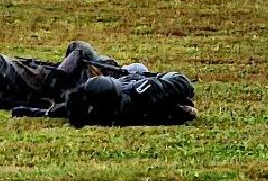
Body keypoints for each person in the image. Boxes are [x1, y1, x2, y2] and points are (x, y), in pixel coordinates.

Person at [14, 70, 198, 127]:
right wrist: (155, 76)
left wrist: (33, 112)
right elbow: (184, 83)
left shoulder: (93, 112)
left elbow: (62, 111)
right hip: (152, 83)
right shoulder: (140, 96)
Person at [2, 41, 131, 111]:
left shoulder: (94, 94)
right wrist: (63, 72)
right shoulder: (103, 65)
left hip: (26, 89)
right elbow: (79, 47)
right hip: (28, 76)